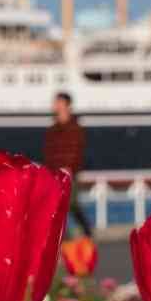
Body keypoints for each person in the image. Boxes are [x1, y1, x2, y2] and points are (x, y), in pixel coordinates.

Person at [44, 92, 93, 237]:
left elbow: (78, 151)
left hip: (70, 173)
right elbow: (48, 153)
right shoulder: (51, 131)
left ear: (66, 105)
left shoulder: (76, 129)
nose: (54, 105)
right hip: (55, 175)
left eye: (58, 102)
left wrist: (70, 168)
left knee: (71, 204)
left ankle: (86, 231)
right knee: (58, 207)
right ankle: (65, 239)